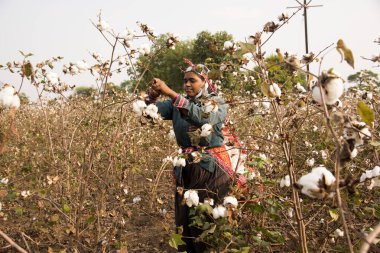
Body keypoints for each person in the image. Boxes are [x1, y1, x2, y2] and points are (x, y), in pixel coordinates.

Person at [145, 59, 244, 252]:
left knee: (207, 220)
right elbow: (150, 113)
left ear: (204, 82)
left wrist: (171, 93)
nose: (187, 84)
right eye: (185, 81)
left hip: (212, 170)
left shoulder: (217, 102)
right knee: (185, 222)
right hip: (186, 169)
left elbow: (201, 117)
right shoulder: (176, 104)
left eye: (192, 80)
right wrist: (152, 96)